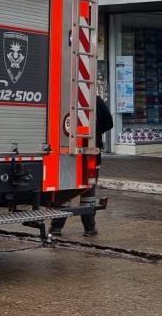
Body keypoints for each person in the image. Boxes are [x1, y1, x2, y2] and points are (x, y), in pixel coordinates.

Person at [51, 95, 113, 237]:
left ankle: (56, 227)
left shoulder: (62, 97)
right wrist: (96, 132)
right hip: (90, 151)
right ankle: (89, 228)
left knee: (65, 189)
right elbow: (109, 123)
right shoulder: (94, 100)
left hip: (65, 150)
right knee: (88, 191)